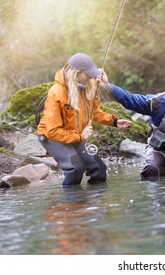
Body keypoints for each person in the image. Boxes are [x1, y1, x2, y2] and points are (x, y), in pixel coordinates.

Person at [37, 53, 130, 187]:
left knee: (99, 169)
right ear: (76, 73)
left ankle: (92, 206)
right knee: (75, 169)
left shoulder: (88, 86)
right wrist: (80, 136)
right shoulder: (56, 92)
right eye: (88, 74)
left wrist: (114, 121)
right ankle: (69, 206)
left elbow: (95, 112)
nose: (91, 77)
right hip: (52, 137)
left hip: (75, 135)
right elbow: (52, 131)